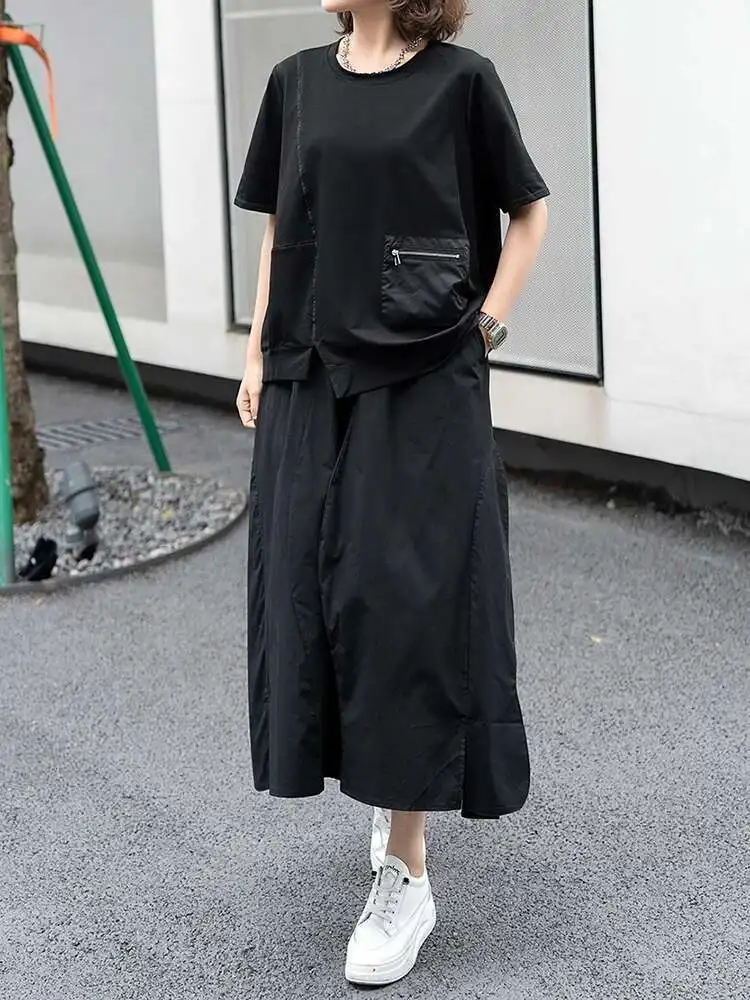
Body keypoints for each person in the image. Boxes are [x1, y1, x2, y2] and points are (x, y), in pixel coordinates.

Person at [234, 0, 549, 986]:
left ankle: (407, 871)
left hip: (423, 382)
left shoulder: (462, 82)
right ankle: (385, 787)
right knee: (311, 597)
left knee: (406, 602)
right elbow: (281, 229)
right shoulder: (294, 81)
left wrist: (484, 331)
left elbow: (529, 213)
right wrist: (255, 352)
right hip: (308, 375)